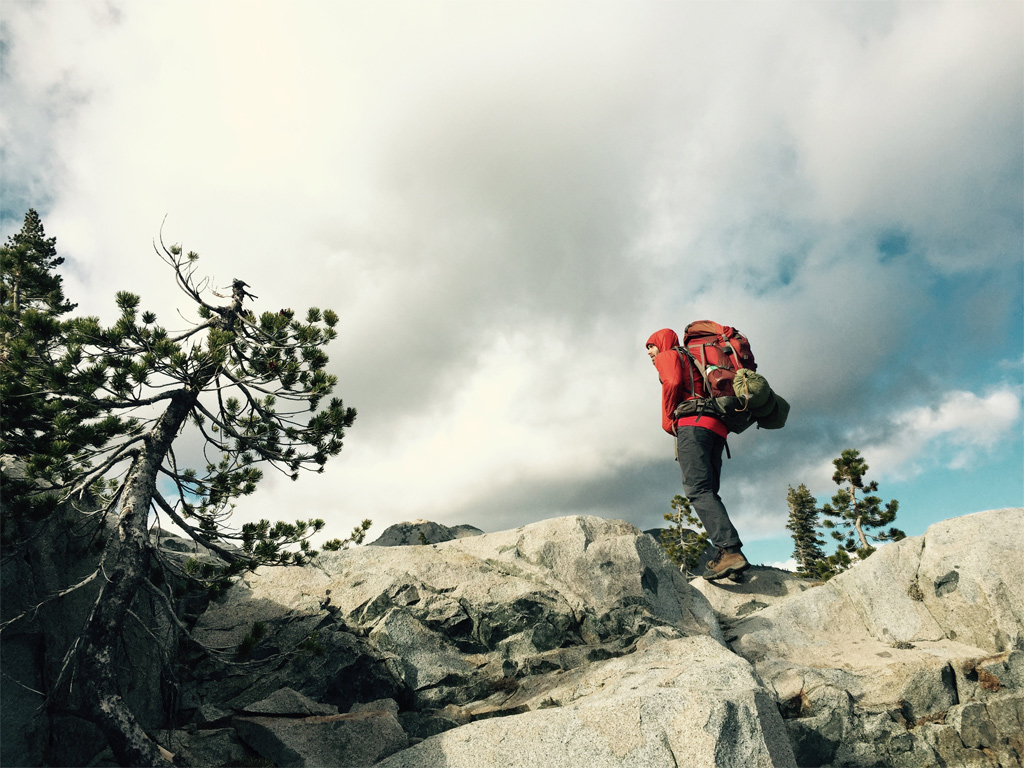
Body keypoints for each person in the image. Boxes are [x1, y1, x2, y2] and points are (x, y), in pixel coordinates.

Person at [646, 328, 750, 580]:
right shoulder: (692, 358)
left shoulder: (668, 355)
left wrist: (669, 416)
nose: (649, 352)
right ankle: (731, 562)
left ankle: (730, 551)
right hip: (717, 428)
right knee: (709, 492)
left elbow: (670, 382)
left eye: (650, 346)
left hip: (693, 426)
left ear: (662, 342)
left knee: (697, 490)